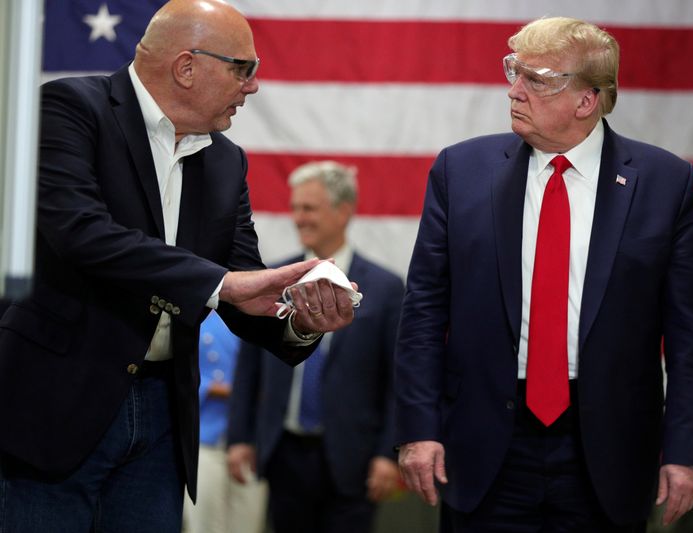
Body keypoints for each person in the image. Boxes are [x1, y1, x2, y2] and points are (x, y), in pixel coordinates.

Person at [0, 1, 355, 532]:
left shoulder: (226, 159)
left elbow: (241, 285)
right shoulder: (70, 107)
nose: (253, 86)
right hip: (58, 406)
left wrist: (302, 321)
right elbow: (82, 233)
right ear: (186, 67)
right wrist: (224, 283)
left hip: (164, 419)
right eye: (243, 68)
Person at [394, 16, 693, 533]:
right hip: (483, 446)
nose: (514, 91)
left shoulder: (665, 183)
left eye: (536, 79)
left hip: (608, 455)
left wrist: (686, 450)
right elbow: (424, 311)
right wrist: (417, 428)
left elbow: (690, 337)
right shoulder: (460, 171)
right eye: (513, 72)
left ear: (586, 100)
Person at [227, 161, 405, 533]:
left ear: (343, 211)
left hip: (353, 457)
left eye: (309, 208)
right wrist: (240, 438)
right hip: (283, 452)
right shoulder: (272, 279)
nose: (298, 217)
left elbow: (397, 381)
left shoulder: (386, 289)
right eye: (295, 208)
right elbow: (249, 365)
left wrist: (390, 453)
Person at [182, 311, 267, 533]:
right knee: (204, 525)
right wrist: (223, 390)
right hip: (205, 438)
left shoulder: (259, 317)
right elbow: (181, 378)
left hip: (252, 442)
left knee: (247, 524)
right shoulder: (193, 314)